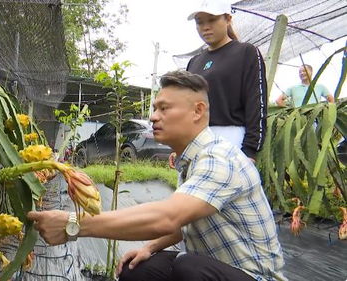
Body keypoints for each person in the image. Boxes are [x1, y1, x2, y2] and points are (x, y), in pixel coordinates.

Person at [28, 71, 288, 281]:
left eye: (164, 109)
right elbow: (181, 225)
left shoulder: (219, 159)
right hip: (215, 267)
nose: (153, 117)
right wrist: (149, 247)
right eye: (155, 108)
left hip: (253, 276)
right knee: (138, 268)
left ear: (198, 111)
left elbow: (168, 217)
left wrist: (73, 225)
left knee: (189, 268)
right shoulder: (190, 160)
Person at [185, 0, 267, 161]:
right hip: (195, 142)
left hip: (231, 140)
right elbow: (187, 107)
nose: (205, 27)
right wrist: (180, 145)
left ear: (228, 19)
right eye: (199, 22)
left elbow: (256, 102)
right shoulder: (194, 62)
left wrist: (250, 150)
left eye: (212, 20)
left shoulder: (246, 52)